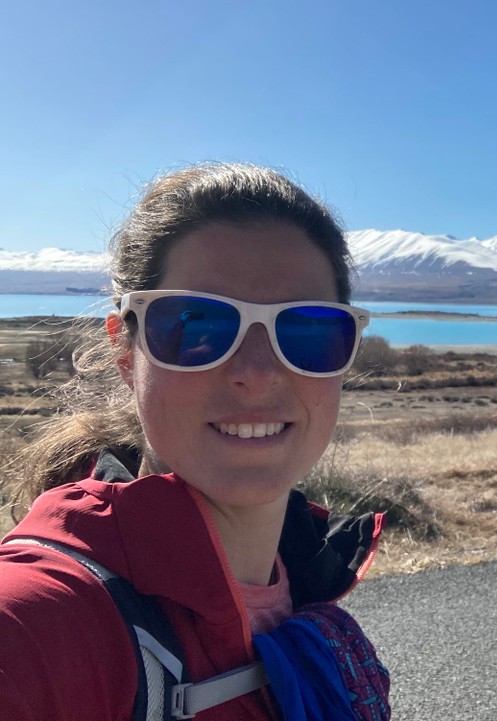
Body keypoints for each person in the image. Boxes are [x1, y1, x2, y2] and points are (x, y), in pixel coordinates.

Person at [0, 163, 390, 720]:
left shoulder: (306, 586)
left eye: (307, 331)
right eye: (196, 326)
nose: (256, 373)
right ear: (124, 353)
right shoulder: (38, 625)